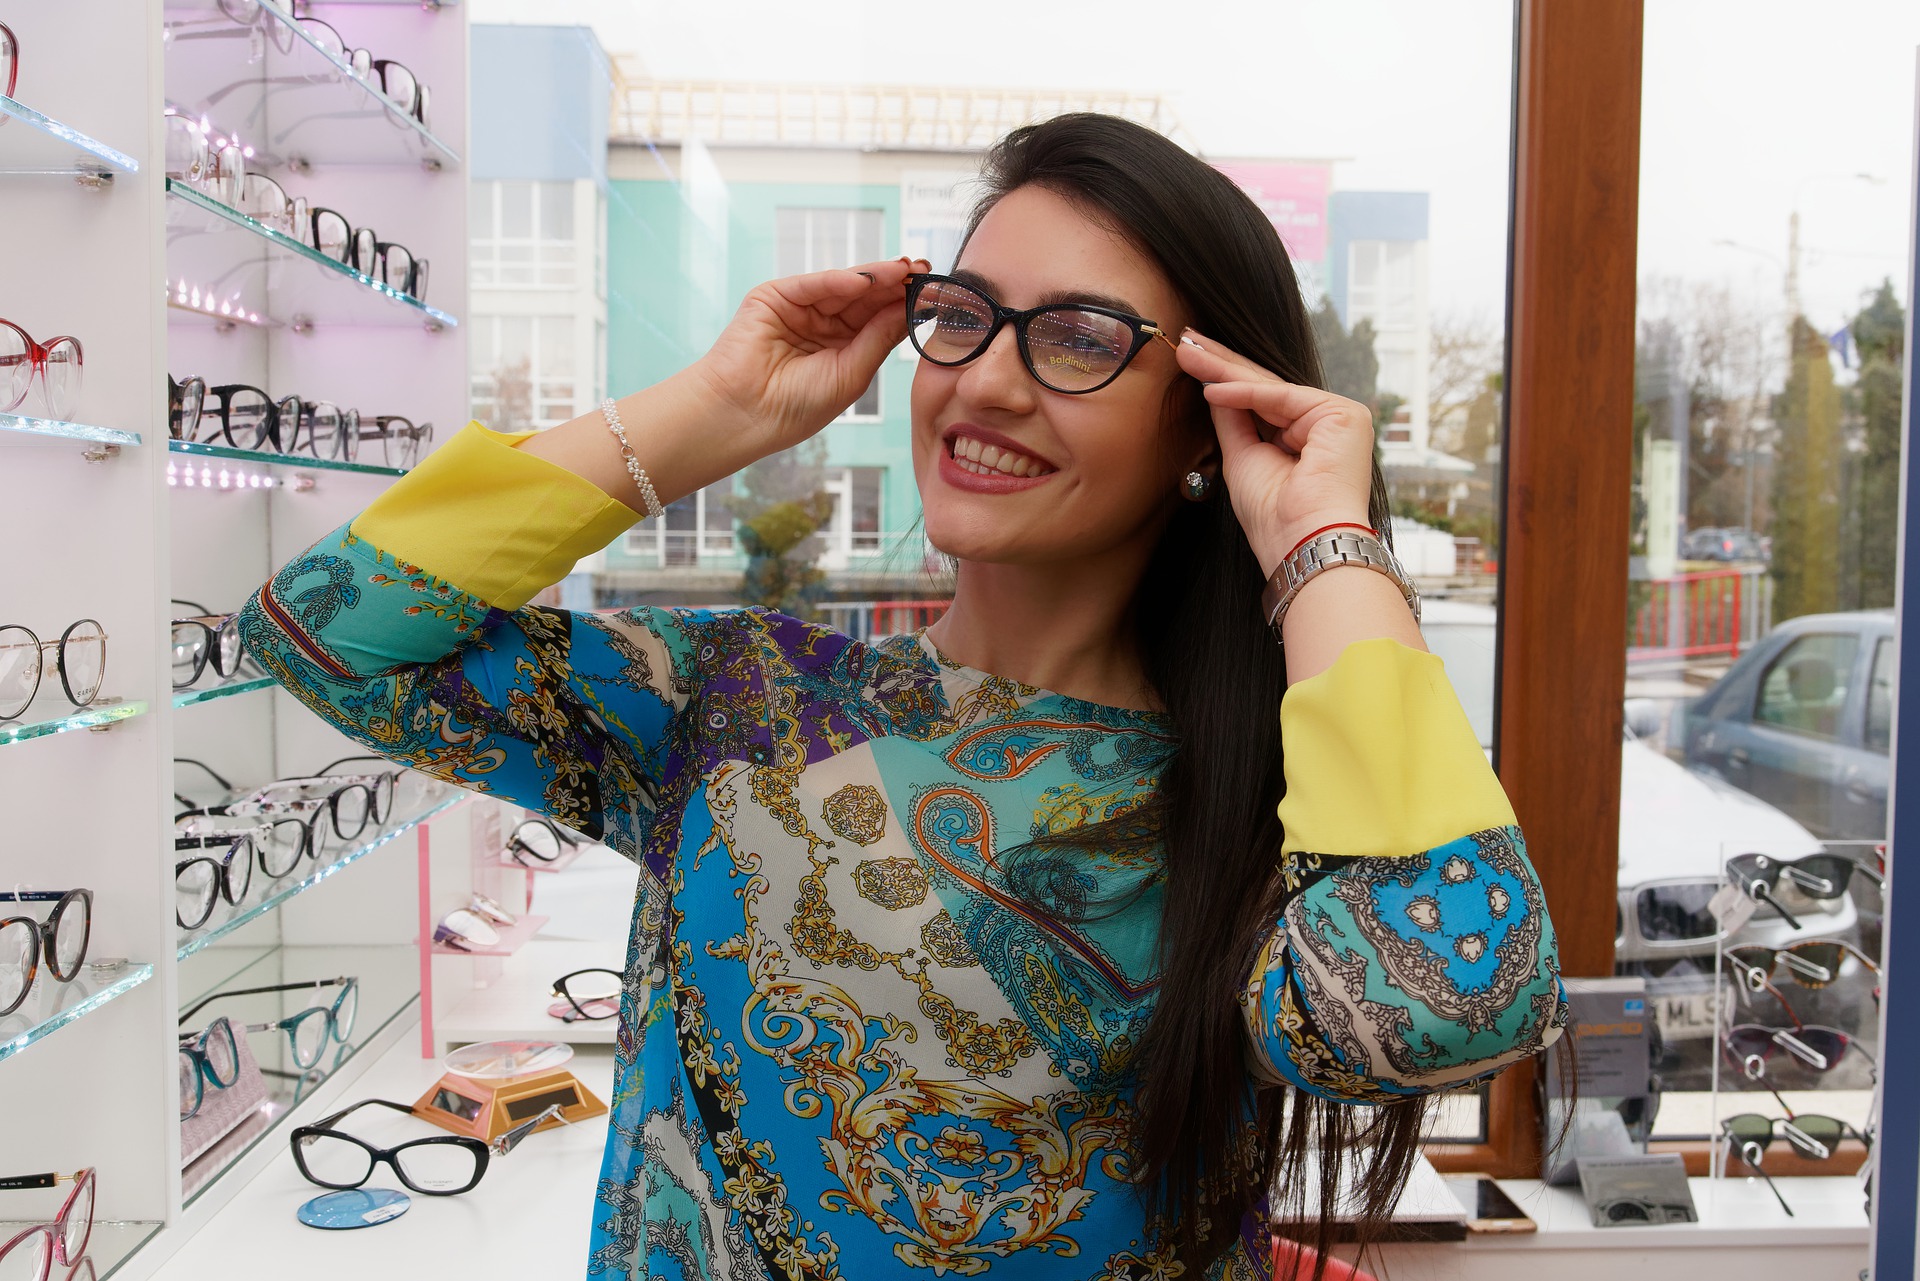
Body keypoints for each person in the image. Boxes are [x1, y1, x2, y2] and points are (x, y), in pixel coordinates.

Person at [240, 113, 1565, 1280]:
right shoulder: (742, 704)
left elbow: (1454, 995)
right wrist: (716, 411)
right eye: (964, 315)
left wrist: (1319, 538)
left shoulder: (1256, 814)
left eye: (1081, 339)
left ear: (1209, 424)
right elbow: (328, 630)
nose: (985, 379)